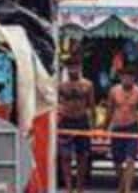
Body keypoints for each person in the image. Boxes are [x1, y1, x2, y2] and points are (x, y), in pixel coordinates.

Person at [107, 66, 138, 193]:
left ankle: (128, 189)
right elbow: (109, 111)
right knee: (117, 161)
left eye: (130, 77)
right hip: (117, 128)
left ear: (134, 79)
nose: (127, 79)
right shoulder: (113, 91)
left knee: (130, 160)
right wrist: (103, 129)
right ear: (120, 78)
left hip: (132, 128)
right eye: (124, 77)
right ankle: (121, 185)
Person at [58, 59, 95, 193]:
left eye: (75, 66)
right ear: (67, 68)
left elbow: (91, 105)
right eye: (70, 67)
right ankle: (68, 187)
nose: (73, 70)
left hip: (82, 121)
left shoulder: (87, 85)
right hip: (66, 120)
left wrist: (94, 126)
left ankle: (80, 187)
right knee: (65, 156)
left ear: (80, 67)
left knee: (83, 156)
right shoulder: (62, 86)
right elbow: (56, 103)